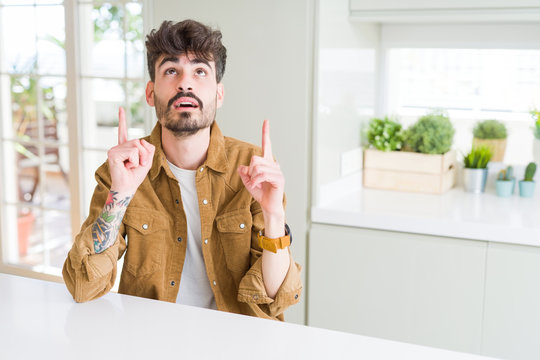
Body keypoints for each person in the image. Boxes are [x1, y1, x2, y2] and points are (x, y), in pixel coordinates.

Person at [62, 19, 302, 320]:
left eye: (200, 71)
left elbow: (275, 299)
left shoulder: (253, 167)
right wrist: (120, 194)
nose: (185, 83)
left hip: (239, 340)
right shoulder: (123, 170)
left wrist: (274, 216)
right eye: (171, 70)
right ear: (151, 93)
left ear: (219, 93)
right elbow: (83, 285)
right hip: (152, 337)